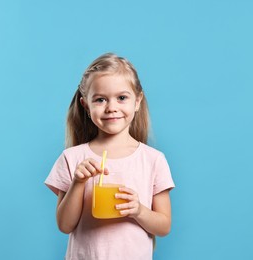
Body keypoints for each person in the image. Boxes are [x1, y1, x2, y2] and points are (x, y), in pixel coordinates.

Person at [45, 53, 175, 259]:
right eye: (100, 99)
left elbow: (164, 226)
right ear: (86, 105)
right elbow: (64, 225)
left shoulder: (153, 160)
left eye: (122, 98)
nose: (111, 107)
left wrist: (139, 211)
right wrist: (78, 183)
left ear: (137, 101)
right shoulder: (73, 158)